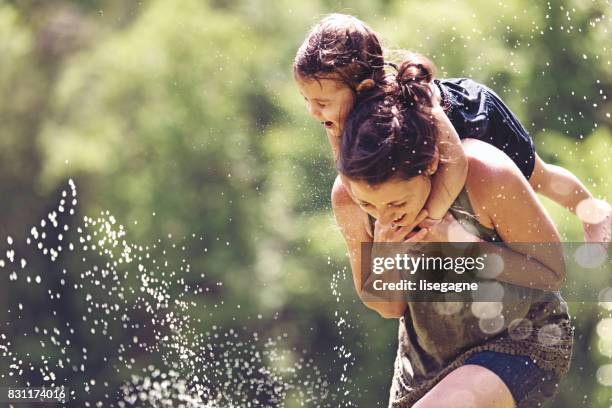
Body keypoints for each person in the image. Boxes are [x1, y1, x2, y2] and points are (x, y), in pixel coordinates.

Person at [335, 60, 572, 407]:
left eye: (396, 202)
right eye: (371, 206)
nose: (387, 215)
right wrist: (386, 253)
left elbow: (553, 272)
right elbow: (388, 307)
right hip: (423, 373)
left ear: (430, 163)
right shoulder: (348, 199)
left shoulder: (485, 174)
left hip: (523, 342)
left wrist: (464, 244)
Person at [293, 13, 611, 244]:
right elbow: (348, 173)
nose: (312, 110)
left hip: (472, 117)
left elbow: (455, 162)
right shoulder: (334, 120)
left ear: (362, 87)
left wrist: (428, 219)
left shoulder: (415, 95)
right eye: (305, 98)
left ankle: (592, 212)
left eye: (321, 100)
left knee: (539, 177)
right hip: (424, 146)